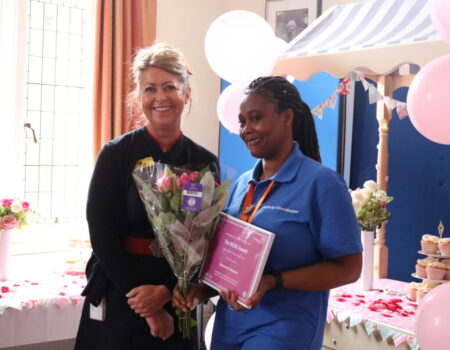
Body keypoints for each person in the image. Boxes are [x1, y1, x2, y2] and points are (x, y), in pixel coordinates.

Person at [173, 76, 362, 350]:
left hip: (285, 331)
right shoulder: (241, 185)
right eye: (242, 121)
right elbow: (233, 263)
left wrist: (273, 282)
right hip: (229, 329)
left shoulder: (322, 183)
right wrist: (201, 290)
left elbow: (349, 268)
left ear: (287, 118)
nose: (246, 129)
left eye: (255, 118)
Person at [75, 42, 219, 350]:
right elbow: (101, 232)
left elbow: (205, 239)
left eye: (170, 87)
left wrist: (166, 292)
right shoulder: (116, 154)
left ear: (186, 93)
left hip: (177, 294)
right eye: (150, 89)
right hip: (121, 286)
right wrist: (148, 305)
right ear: (139, 97)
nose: (160, 97)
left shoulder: (204, 161)